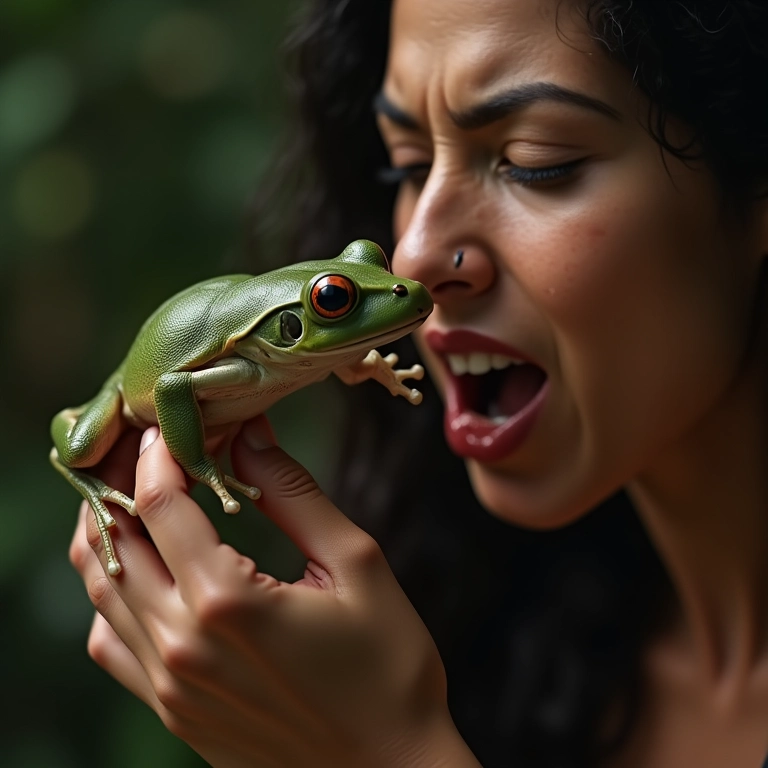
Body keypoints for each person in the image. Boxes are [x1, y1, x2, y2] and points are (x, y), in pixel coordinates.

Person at [68, 0, 768, 766]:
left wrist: (390, 751)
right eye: (406, 165)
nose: (414, 254)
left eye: (538, 159)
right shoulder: (501, 624)